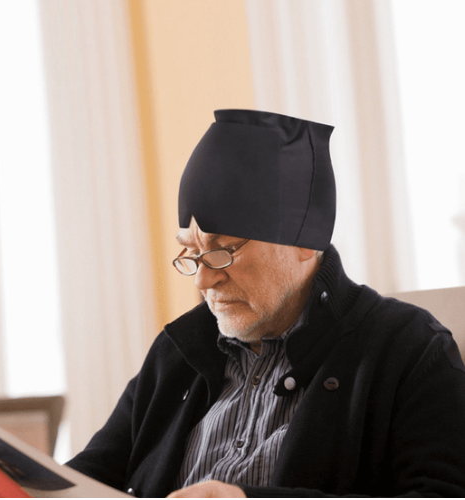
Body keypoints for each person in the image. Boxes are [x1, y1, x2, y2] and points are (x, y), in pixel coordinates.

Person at [66, 110, 465, 497]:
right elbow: (84, 482)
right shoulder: (176, 354)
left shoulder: (409, 350)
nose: (203, 280)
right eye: (192, 253)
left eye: (223, 251)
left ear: (306, 242)